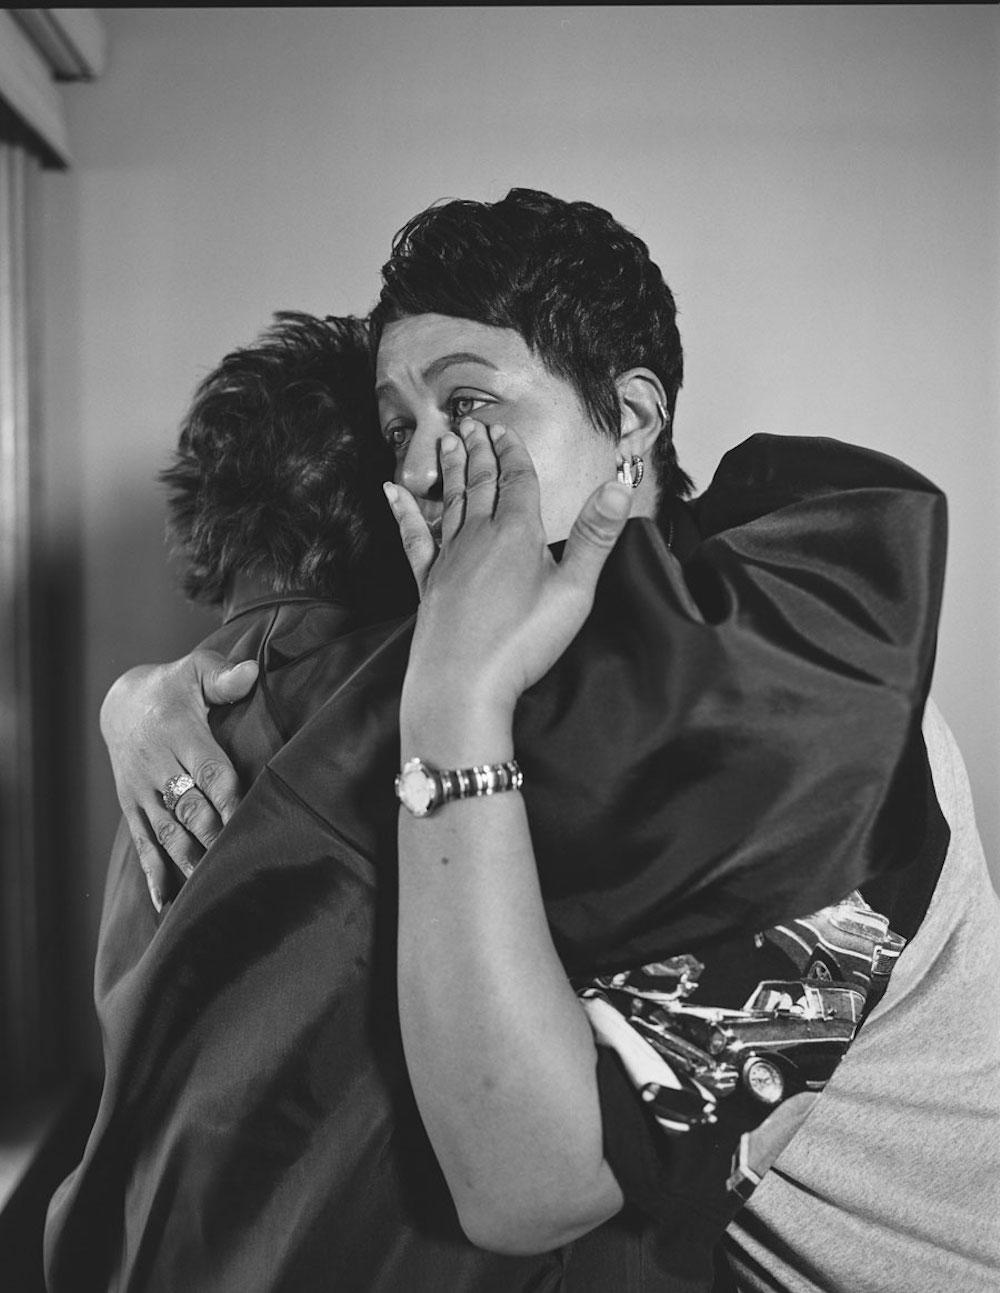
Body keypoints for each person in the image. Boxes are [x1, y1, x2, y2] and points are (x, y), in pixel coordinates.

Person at [60, 189, 998, 1290]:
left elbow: (530, 1189)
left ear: (633, 421)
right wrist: (148, 696)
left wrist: (450, 693)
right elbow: (296, 675)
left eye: (469, 403)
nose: (416, 469)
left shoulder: (799, 704)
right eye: (399, 429)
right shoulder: (535, 663)